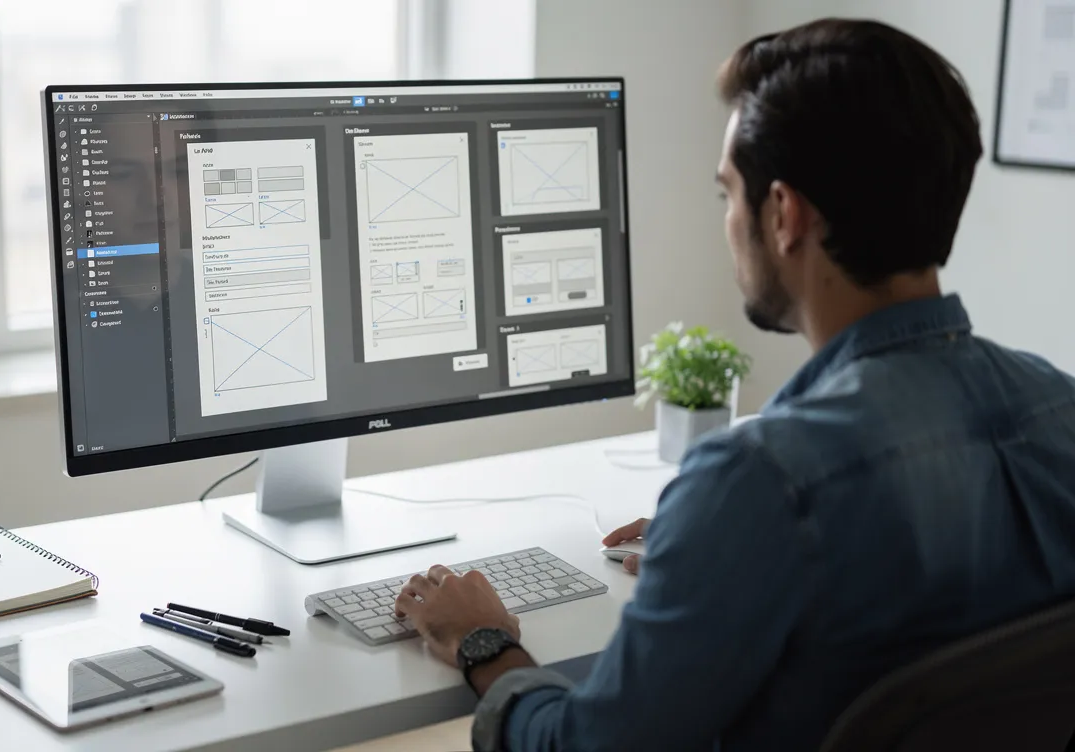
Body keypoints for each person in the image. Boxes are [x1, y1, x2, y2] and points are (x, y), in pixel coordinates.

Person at [393, 18, 1075, 752]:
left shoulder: (762, 484)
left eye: (728, 194)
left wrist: (482, 642)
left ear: (783, 214)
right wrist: (717, 547)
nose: (726, 220)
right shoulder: (1061, 408)